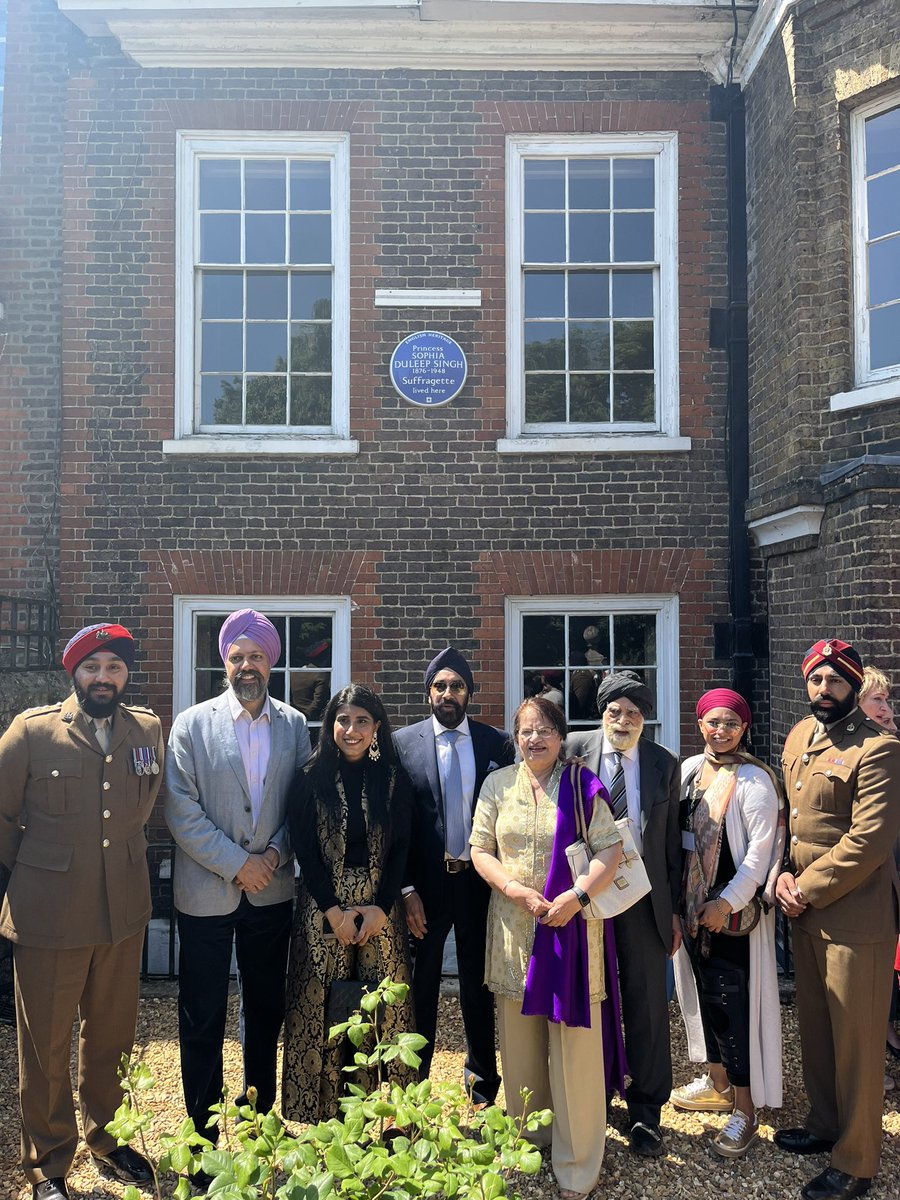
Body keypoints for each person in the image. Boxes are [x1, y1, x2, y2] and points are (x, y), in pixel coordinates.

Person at [0, 622, 164, 1199]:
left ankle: (108, 1138)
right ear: (75, 672)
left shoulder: (147, 729)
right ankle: (48, 1165)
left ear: (125, 674)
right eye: (92, 667)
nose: (103, 677)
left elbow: (141, 808)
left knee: (112, 1035)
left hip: (121, 912)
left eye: (114, 667)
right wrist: (45, 869)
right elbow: (2, 819)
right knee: (44, 1045)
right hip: (48, 916)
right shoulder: (32, 731)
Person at [165, 609, 311, 1161]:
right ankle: (201, 1135)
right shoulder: (191, 724)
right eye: (236, 656)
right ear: (224, 662)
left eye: (256, 656)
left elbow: (301, 806)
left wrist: (273, 853)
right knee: (202, 1012)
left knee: (264, 1010)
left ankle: (255, 1128)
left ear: (270, 663)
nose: (246, 666)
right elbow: (181, 812)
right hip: (207, 892)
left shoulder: (294, 725)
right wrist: (236, 863)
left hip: (270, 891)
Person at [470, 696, 623, 1200]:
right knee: (520, 1048)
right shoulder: (497, 785)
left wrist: (577, 897)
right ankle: (529, 1142)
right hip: (516, 933)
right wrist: (513, 890)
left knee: (575, 1051)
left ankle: (578, 1162)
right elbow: (480, 849)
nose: (535, 739)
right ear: (515, 737)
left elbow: (611, 847)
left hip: (572, 932)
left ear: (560, 734)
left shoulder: (582, 785)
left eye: (545, 730)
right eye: (525, 731)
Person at [774, 639, 900, 1200]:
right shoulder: (800, 735)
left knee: (857, 1039)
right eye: (815, 680)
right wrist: (781, 873)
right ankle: (826, 1125)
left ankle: (856, 1161)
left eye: (835, 681)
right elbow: (791, 818)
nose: (823, 690)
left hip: (855, 915)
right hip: (802, 908)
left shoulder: (879, 748)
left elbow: (869, 840)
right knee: (818, 1030)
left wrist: (804, 886)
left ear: (853, 684)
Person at [282, 683, 415, 1121]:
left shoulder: (394, 780)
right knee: (320, 1007)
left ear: (376, 728)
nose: (352, 729)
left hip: (381, 910)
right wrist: (333, 910)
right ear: (330, 725)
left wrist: (380, 906)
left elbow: (401, 849)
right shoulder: (308, 777)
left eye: (362, 721)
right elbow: (303, 847)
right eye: (343, 720)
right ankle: (324, 1117)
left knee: (383, 1009)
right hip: (325, 910)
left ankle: (385, 1119)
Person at [566, 670, 681, 1157]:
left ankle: (646, 1110)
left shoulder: (663, 763)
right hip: (586, 894)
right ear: (602, 712)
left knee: (647, 1003)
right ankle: (591, 1097)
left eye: (634, 712)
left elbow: (672, 842)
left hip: (644, 899)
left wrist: (674, 910)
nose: (624, 719)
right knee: (589, 996)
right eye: (615, 711)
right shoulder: (572, 750)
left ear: (644, 718)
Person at [395, 647, 514, 1104]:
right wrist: (406, 890)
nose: (448, 693)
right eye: (440, 685)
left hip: (477, 884)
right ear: (429, 692)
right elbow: (397, 824)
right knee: (419, 987)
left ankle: (482, 1082)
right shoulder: (403, 743)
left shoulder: (497, 744)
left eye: (457, 686)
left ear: (469, 693)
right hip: (424, 888)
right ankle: (415, 1088)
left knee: (478, 987)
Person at [670, 688, 784, 1159]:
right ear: (700, 725)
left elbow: (759, 856)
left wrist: (726, 903)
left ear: (745, 727)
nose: (721, 731)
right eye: (713, 722)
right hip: (694, 911)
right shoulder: (690, 773)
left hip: (730, 917)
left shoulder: (755, 781)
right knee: (703, 997)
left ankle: (745, 1109)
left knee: (732, 1005)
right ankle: (718, 1085)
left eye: (731, 723)